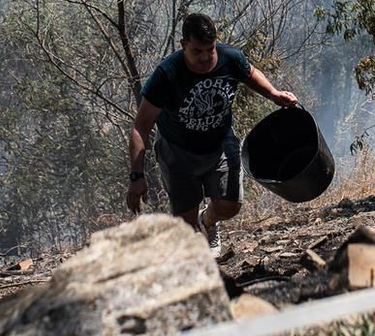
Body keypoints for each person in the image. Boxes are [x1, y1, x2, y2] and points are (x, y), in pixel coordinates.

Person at [125, 12, 299, 249]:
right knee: (186, 227)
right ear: (183, 45)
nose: (205, 57)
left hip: (220, 143)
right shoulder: (167, 74)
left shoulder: (230, 58)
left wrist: (274, 94)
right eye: (197, 51)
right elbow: (140, 127)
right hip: (178, 153)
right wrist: (137, 176)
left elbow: (250, 73)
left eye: (210, 49)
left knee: (229, 206)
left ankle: (208, 221)